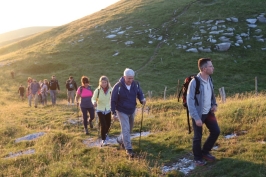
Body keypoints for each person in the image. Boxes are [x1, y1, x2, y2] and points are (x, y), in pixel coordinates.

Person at [187, 58, 220, 166]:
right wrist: (196, 118)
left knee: (216, 131)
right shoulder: (194, 82)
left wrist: (214, 104)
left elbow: (212, 94)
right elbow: (190, 101)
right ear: (204, 69)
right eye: (210, 66)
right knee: (198, 136)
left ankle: (205, 152)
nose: (213, 67)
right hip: (198, 114)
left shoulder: (209, 79)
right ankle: (197, 158)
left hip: (209, 113)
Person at [111, 68, 146, 157]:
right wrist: (113, 113)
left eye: (132, 78)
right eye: (128, 78)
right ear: (124, 77)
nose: (130, 80)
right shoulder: (118, 86)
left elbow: (139, 93)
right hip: (121, 110)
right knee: (126, 129)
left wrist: (142, 99)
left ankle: (120, 140)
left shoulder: (136, 84)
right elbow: (113, 100)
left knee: (129, 129)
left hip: (132, 109)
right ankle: (129, 149)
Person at [92, 76, 112, 146]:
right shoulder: (97, 90)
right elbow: (93, 98)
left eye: (105, 82)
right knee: (103, 125)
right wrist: (94, 102)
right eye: (102, 82)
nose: (104, 84)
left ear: (107, 82)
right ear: (100, 83)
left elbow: (113, 98)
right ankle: (103, 139)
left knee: (108, 124)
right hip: (100, 109)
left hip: (108, 109)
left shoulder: (110, 90)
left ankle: (105, 134)